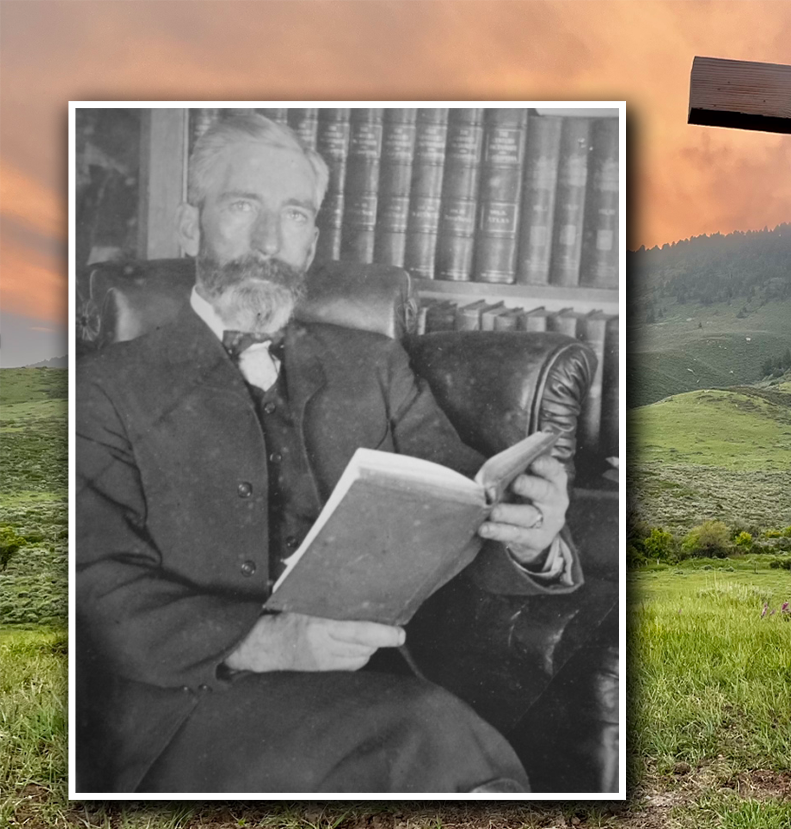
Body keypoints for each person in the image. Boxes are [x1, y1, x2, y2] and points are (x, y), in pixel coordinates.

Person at [75, 112, 578, 793]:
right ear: (190, 224)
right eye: (242, 205)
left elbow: (465, 497)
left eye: (292, 215)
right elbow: (94, 583)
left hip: (371, 685)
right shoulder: (104, 387)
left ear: (311, 243)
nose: (267, 239)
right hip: (187, 710)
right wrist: (268, 640)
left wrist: (532, 535)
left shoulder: (375, 367)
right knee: (430, 737)